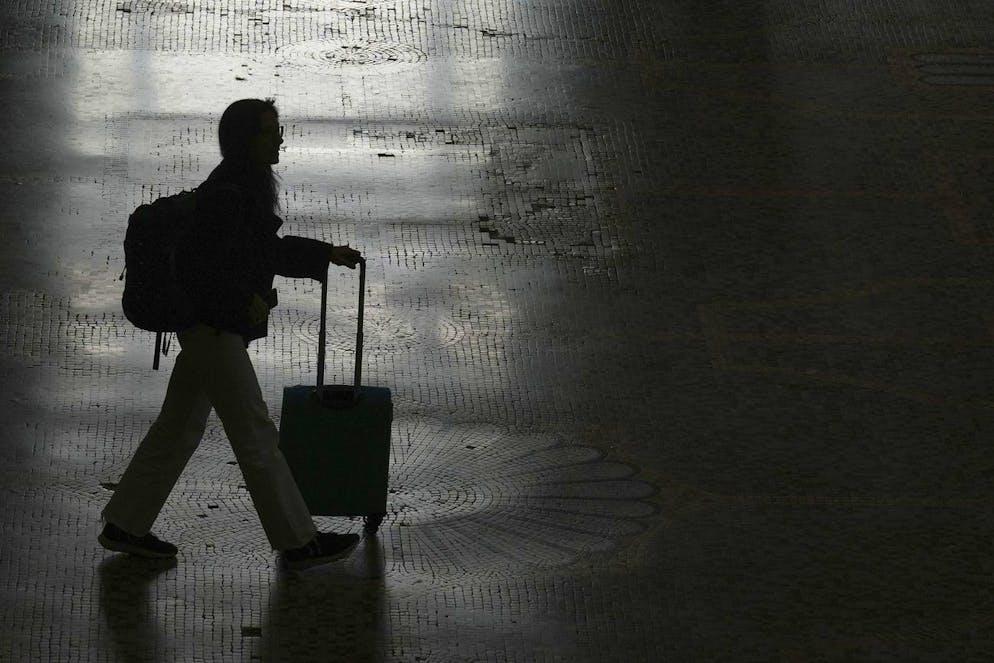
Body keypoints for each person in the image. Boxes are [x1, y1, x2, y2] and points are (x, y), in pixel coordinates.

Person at [99, 98, 363, 570]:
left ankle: (125, 524)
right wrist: (242, 301)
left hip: (208, 329)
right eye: (269, 131)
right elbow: (202, 269)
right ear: (246, 139)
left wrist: (325, 253)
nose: (279, 139)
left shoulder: (240, 185)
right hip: (212, 330)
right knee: (255, 434)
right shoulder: (230, 194)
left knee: (178, 428)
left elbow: (263, 252)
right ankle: (299, 541)